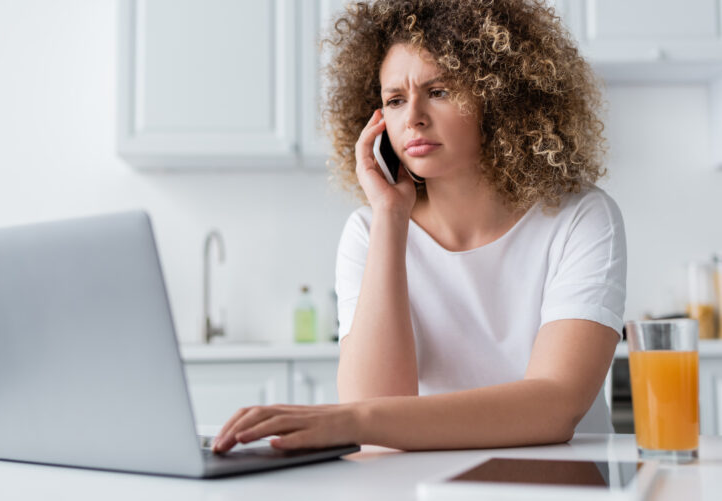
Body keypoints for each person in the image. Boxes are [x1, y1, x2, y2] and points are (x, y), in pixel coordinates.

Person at [212, 0, 625, 453]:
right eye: (394, 100)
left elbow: (557, 404)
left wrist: (346, 420)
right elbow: (372, 415)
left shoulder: (580, 217)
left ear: (499, 95)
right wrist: (390, 217)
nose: (413, 118)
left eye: (440, 91)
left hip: (563, 481)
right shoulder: (369, 229)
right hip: (423, 481)